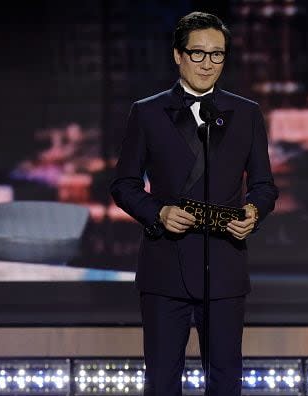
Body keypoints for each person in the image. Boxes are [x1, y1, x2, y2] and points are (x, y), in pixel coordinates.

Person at [110, 11, 278, 396]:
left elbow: (265, 185)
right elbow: (124, 184)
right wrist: (159, 212)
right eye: (198, 53)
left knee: (224, 382)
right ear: (177, 55)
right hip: (165, 268)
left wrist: (253, 211)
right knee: (163, 383)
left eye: (217, 54)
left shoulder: (247, 113)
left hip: (224, 269)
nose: (208, 63)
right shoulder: (147, 112)